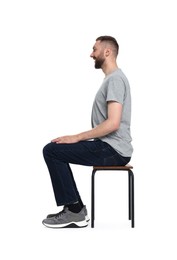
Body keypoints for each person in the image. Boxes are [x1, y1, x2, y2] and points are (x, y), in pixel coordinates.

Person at [42, 36, 132, 228]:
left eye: (95, 49)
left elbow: (113, 123)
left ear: (107, 52)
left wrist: (76, 138)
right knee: (54, 149)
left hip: (113, 149)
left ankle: (74, 211)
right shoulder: (113, 79)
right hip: (110, 147)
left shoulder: (115, 79)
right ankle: (75, 209)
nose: (91, 54)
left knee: (51, 151)